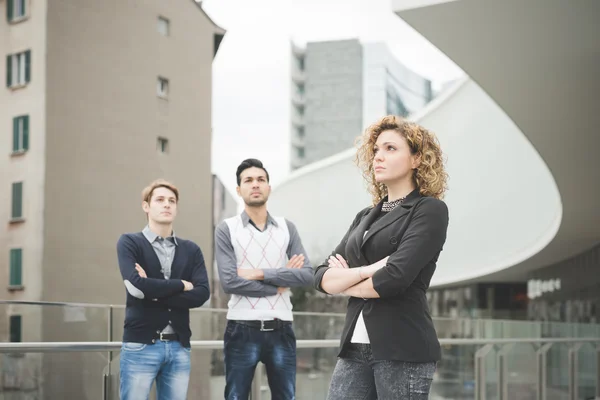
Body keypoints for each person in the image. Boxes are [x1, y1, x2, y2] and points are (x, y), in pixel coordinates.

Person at [314, 115, 450, 399]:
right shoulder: (365, 216)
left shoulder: (429, 210)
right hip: (354, 347)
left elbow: (394, 279)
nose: (378, 156)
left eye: (390, 148)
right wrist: (366, 271)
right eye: (376, 150)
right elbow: (321, 276)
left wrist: (344, 283)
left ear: (416, 159)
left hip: (403, 347)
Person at [215, 158, 314, 400]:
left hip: (281, 328)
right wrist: (279, 283)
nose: (255, 184)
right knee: (236, 397)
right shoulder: (227, 229)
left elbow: (307, 274)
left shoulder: (286, 227)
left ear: (269, 187)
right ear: (239, 190)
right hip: (241, 328)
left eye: (261, 179)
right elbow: (229, 282)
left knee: (285, 397)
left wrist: (260, 273)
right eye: (248, 180)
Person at [116, 179, 210, 400]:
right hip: (140, 346)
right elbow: (136, 288)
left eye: (172, 201)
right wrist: (180, 285)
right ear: (146, 206)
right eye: (160, 200)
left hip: (179, 347)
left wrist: (154, 292)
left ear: (176, 208)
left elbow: (203, 294)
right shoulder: (130, 242)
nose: (166, 204)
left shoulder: (191, 249)